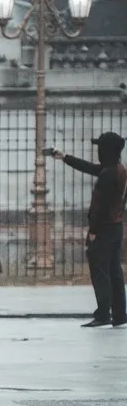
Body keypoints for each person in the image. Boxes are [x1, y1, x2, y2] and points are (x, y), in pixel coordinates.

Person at [52, 133, 126, 328]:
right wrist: (65, 157)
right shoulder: (117, 169)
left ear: (107, 150)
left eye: (100, 147)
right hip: (116, 228)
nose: (98, 151)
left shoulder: (108, 174)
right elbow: (89, 167)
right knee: (114, 271)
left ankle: (103, 314)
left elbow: (102, 205)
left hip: (104, 228)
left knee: (100, 272)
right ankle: (120, 314)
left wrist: (93, 230)